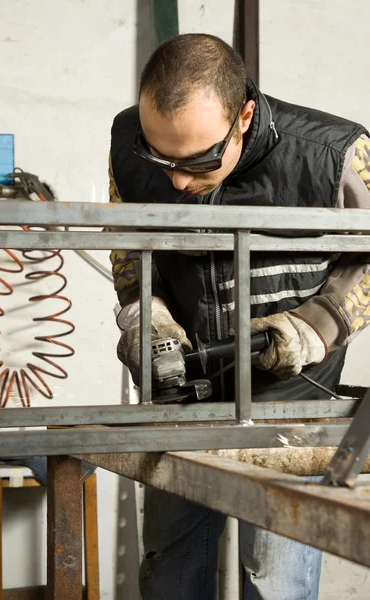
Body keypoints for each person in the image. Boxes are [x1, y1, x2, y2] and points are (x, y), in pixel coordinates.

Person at [108, 33, 370, 600]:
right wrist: (143, 315)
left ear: (244, 115)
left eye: (199, 160)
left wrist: (316, 326)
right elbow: (127, 245)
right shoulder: (125, 142)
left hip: (290, 407)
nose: (177, 181)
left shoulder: (335, 153)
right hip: (182, 403)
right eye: (162, 159)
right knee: (171, 576)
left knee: (274, 583)